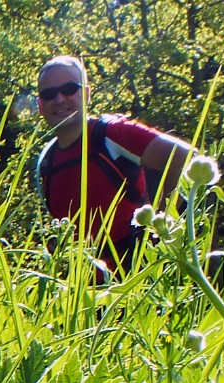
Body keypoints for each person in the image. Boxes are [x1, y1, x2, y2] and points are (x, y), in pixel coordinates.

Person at [34, 55, 194, 274]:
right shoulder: (45, 161)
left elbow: (186, 158)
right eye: (49, 94)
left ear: (87, 94)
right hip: (89, 288)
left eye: (70, 88)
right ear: (40, 105)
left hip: (142, 274)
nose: (60, 99)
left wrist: (163, 222)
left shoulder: (112, 133)